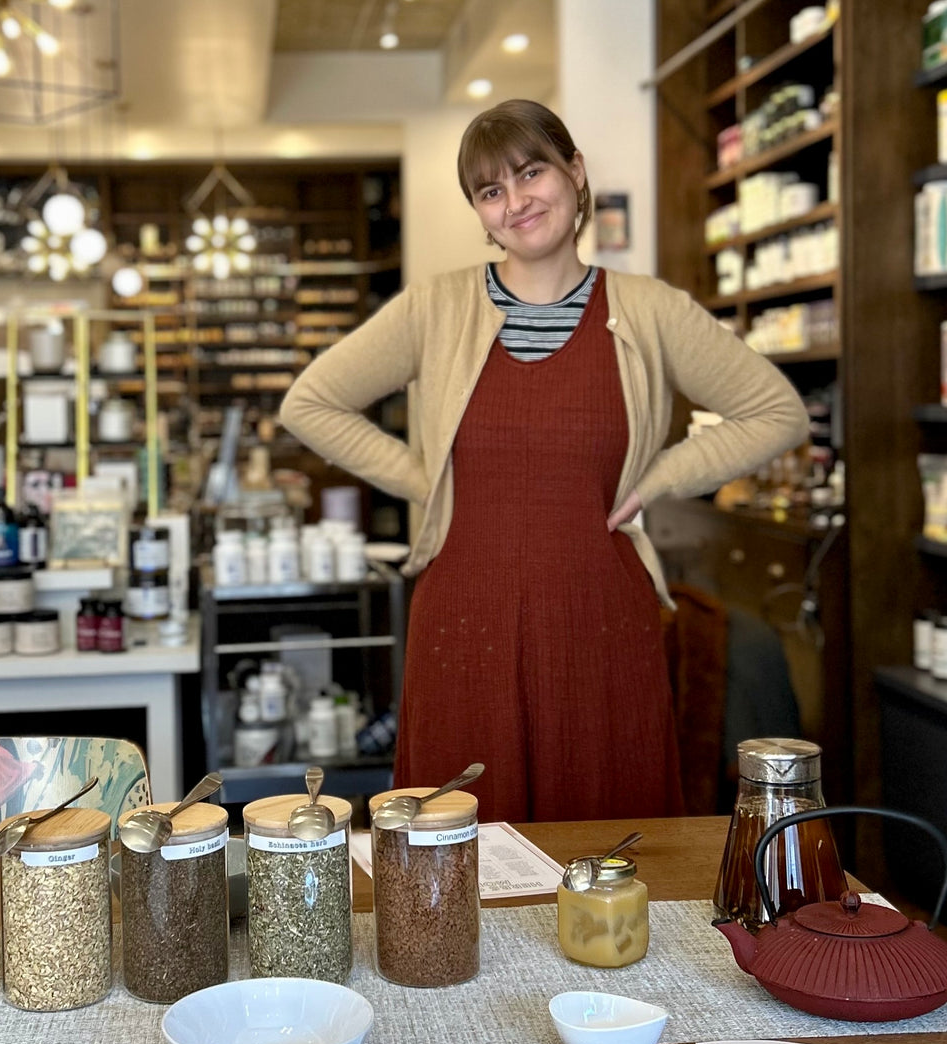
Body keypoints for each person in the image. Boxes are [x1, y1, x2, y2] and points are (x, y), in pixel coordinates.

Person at [280, 99, 809, 821]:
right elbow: (310, 403)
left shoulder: (650, 310)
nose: (517, 201)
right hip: (462, 624)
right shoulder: (435, 308)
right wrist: (424, 479)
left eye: (531, 173)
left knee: (608, 854)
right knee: (456, 856)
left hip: (601, 627)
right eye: (491, 191)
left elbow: (777, 411)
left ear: (576, 174)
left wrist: (665, 474)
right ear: (480, 212)